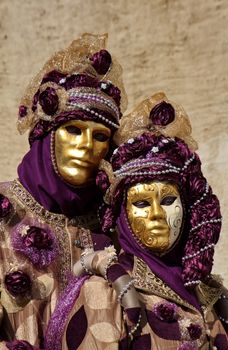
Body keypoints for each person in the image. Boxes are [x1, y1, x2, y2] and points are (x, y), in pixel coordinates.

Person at [45, 92, 228, 349]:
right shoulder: (106, 294)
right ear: (123, 215)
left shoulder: (209, 296)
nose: (157, 214)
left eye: (168, 201)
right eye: (142, 203)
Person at [0, 33, 127, 349]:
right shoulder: (4, 212)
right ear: (46, 136)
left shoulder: (113, 226)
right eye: (73, 130)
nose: (87, 146)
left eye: (100, 137)